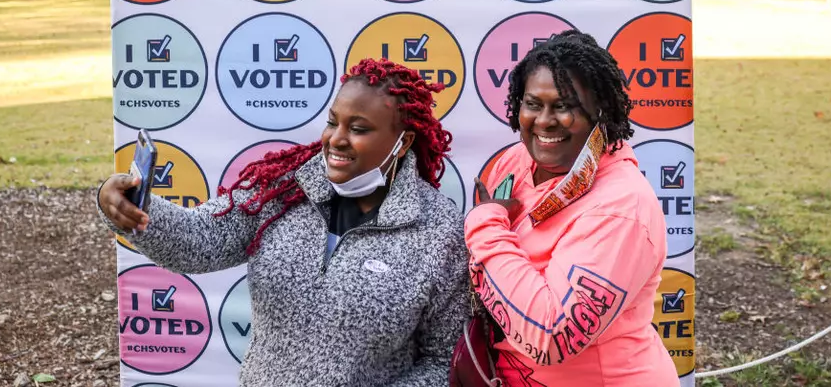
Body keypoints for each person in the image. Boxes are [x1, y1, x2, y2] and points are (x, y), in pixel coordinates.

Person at [98, 58, 470, 387]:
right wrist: (131, 205)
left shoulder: (437, 232)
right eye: (332, 123)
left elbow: (443, 362)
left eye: (358, 129)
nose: (336, 140)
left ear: (402, 143)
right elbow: (200, 239)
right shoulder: (284, 190)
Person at [465, 30, 678, 386]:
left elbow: (551, 337)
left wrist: (485, 225)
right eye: (533, 103)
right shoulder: (514, 162)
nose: (545, 121)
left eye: (564, 106)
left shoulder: (622, 207)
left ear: (600, 111)